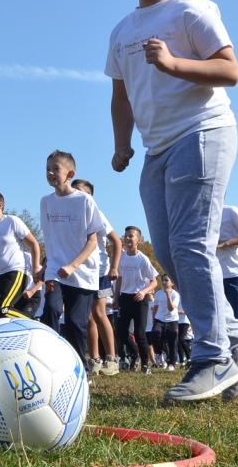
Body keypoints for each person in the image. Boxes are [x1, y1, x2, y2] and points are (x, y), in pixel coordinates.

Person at [105, 0, 238, 401]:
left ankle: (213, 358)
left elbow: (230, 71)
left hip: (203, 131)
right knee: (170, 254)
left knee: (192, 244)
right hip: (156, 149)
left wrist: (173, 64)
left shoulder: (192, 9)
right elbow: (121, 95)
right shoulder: (122, 30)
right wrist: (122, 145)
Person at [39, 150, 112, 371]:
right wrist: (45, 266)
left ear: (70, 173)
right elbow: (50, 239)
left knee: (74, 322)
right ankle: (50, 362)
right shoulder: (46, 202)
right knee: (50, 309)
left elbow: (93, 242)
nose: (50, 173)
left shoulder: (85, 201)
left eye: (55, 169)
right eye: (47, 169)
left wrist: (73, 265)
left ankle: (79, 367)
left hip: (83, 274)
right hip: (54, 272)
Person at [71, 178, 123, 376]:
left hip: (100, 271)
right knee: (88, 317)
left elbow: (116, 242)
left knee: (100, 313)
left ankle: (112, 358)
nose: (74, 193)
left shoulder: (97, 214)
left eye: (79, 191)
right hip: (81, 272)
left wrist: (114, 268)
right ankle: (94, 359)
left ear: (90, 196)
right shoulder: (72, 215)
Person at [0, 191, 41, 321]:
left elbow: (34, 243)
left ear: (0, 205)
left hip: (14, 272)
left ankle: (33, 323)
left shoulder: (12, 221)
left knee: (2, 310)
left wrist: (35, 269)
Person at [115, 226, 157, 374]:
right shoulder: (121, 258)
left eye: (131, 236)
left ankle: (146, 365)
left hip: (140, 298)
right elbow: (119, 280)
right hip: (125, 297)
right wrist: (116, 298)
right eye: (125, 236)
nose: (127, 239)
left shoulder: (143, 259)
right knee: (120, 331)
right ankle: (134, 354)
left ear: (138, 240)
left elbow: (154, 281)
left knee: (140, 333)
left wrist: (144, 291)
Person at [152, 274, 181, 371]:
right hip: (159, 319)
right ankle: (159, 355)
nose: (164, 282)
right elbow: (155, 307)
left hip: (172, 320)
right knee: (155, 335)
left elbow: (171, 308)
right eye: (162, 280)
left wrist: (168, 295)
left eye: (166, 280)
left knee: (172, 342)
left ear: (172, 283)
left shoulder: (175, 294)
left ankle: (171, 363)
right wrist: (154, 319)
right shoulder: (158, 293)